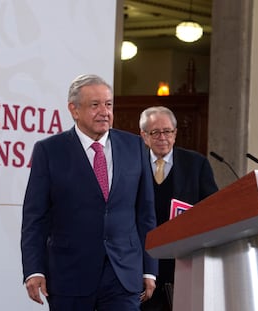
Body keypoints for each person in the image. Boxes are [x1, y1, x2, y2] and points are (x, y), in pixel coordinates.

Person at [20, 74, 158, 311]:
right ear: (73, 109)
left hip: (123, 275)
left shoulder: (135, 146)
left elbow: (145, 214)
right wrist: (34, 269)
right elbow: (35, 218)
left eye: (108, 104)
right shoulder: (49, 151)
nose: (104, 112)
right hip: (69, 275)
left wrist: (149, 269)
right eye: (95, 105)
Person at [139, 106, 218, 311]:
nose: (162, 137)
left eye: (167, 131)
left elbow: (212, 208)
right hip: (142, 260)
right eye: (155, 132)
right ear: (144, 136)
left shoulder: (196, 163)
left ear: (175, 134)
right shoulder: (132, 163)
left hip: (182, 260)